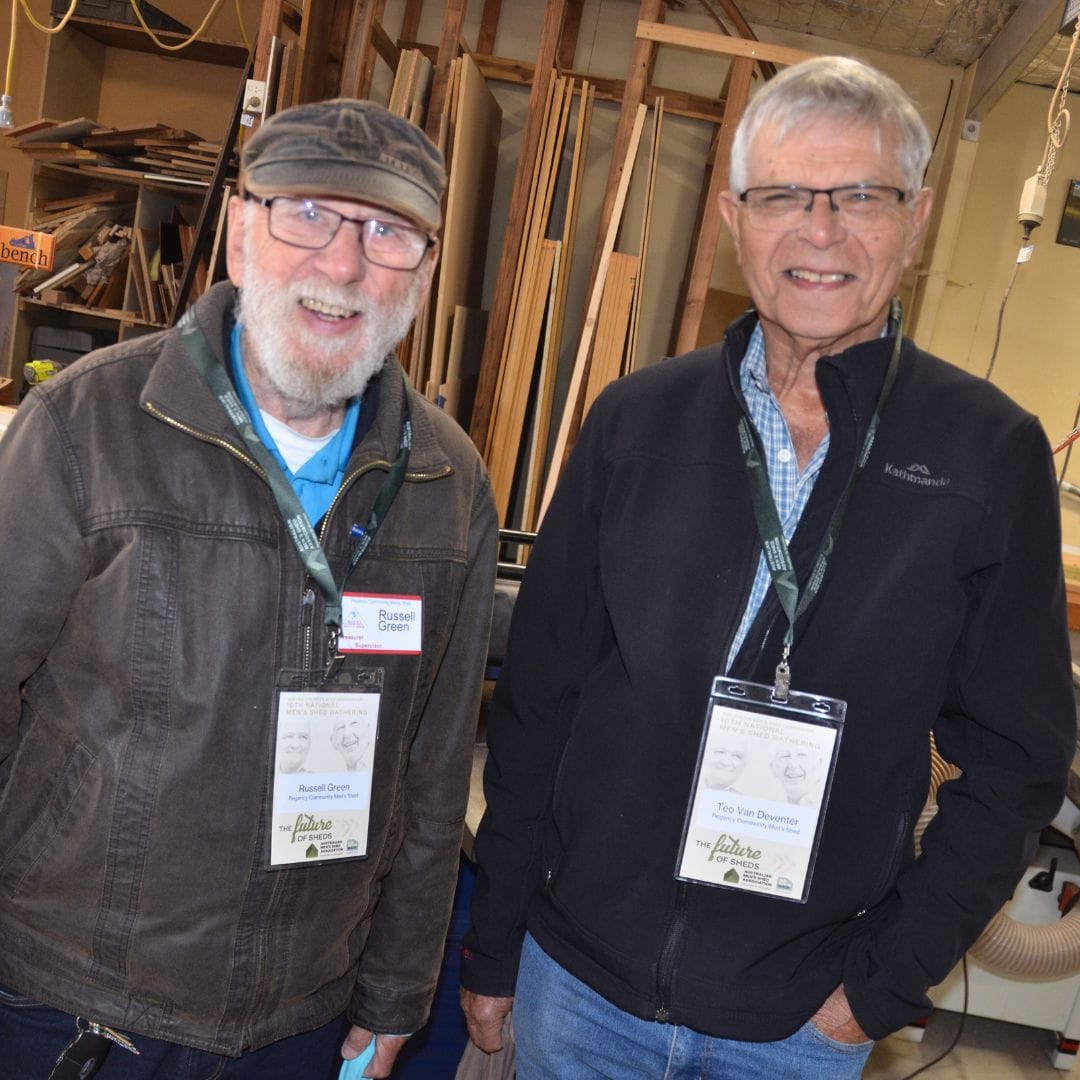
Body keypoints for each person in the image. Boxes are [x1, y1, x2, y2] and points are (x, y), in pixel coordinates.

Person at [460, 56, 1075, 1078]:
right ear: (733, 218)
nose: (819, 232)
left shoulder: (986, 456)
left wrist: (877, 988)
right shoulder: (634, 424)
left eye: (861, 197)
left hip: (800, 1022)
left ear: (918, 221)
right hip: (581, 988)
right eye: (783, 194)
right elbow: (538, 703)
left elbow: (1017, 760)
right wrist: (496, 944)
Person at [0, 98, 497, 1079]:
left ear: (426, 270)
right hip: (75, 1005)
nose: (343, 265)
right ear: (239, 231)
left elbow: (435, 769)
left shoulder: (448, 484)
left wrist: (397, 992)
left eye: (388, 233)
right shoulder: (86, 428)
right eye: (307, 214)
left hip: (300, 1022)